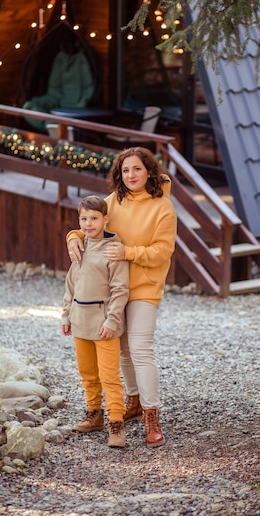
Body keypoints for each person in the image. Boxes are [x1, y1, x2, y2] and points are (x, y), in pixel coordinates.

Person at [67, 147, 177, 448]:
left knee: (140, 349)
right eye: (126, 170)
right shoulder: (113, 201)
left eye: (137, 169)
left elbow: (162, 251)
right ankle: (134, 402)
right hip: (110, 290)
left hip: (143, 287)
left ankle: (152, 416)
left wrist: (129, 252)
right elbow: (90, 221)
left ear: (149, 172)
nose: (131, 175)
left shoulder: (163, 208)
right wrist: (72, 238)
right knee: (124, 350)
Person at [61, 195, 129, 448]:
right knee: (88, 373)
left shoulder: (112, 249)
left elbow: (120, 289)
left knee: (109, 376)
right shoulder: (79, 247)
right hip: (80, 321)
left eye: (94, 218)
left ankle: (116, 424)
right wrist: (66, 314)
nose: (88, 223)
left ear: (105, 219)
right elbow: (71, 284)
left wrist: (112, 320)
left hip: (104, 324)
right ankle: (94, 414)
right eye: (84, 219)